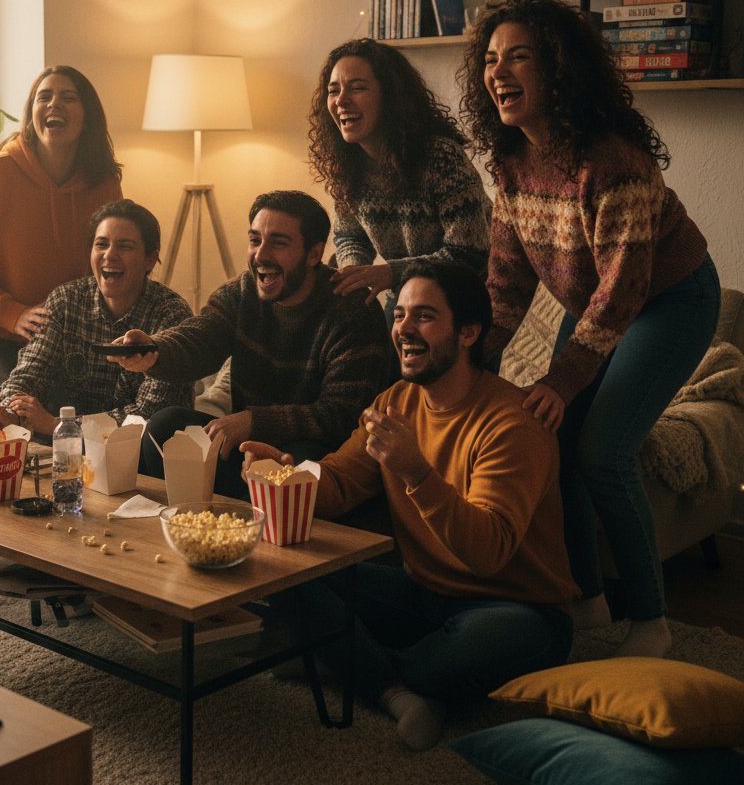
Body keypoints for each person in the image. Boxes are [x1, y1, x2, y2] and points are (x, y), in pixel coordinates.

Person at [458, 0, 720, 659]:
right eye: (490, 59)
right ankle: (587, 602)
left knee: (602, 453)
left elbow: (623, 291)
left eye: (518, 56)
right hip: (593, 301)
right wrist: (474, 361)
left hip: (669, 302)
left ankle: (651, 621)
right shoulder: (511, 163)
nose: (498, 72)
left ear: (558, 70)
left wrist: (561, 379)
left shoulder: (613, 162)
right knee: (553, 445)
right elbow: (506, 285)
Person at [242, 260, 577, 750]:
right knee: (288, 572)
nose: (403, 329)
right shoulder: (395, 402)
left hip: (515, 607)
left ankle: (347, 659)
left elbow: (487, 553)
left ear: (468, 333)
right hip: (422, 592)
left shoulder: (512, 425)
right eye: (399, 315)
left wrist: (417, 472)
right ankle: (396, 691)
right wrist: (286, 473)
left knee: (458, 656)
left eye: (424, 316)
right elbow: (338, 482)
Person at [110, 190, 394, 498]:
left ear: (314, 254)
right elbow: (201, 337)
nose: (260, 255)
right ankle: (197, 518)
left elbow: (342, 414)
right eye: (255, 240)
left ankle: (252, 517)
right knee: (166, 427)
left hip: (320, 457)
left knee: (298, 466)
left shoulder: (352, 309)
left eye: (278, 243)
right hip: (247, 448)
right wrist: (154, 350)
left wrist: (255, 422)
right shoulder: (242, 291)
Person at [0, 64, 123, 404]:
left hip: (60, 334)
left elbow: (114, 258)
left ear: (87, 117)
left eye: (68, 98)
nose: (54, 104)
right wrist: (11, 314)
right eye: (43, 97)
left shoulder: (104, 184)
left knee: (97, 398)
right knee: (5, 400)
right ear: (31, 113)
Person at [307, 38, 491, 324]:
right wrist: (354, 272)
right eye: (333, 91)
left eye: (357, 88)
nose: (341, 101)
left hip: (467, 296)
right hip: (407, 292)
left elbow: (469, 255)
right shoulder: (347, 167)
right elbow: (350, 236)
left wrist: (390, 273)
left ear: (390, 96)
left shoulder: (441, 157)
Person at [0, 200, 194, 437]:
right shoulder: (66, 301)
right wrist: (7, 410)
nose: (110, 255)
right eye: (101, 244)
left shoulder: (171, 315)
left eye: (125, 246)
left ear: (150, 260)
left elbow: (150, 415)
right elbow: (29, 373)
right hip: (70, 450)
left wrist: (58, 426)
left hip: (149, 451)